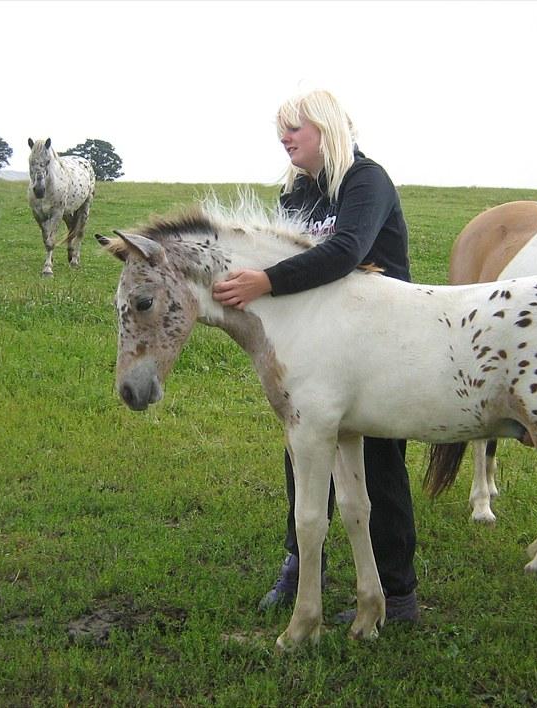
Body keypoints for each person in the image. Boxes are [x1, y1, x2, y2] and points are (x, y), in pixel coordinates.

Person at [212, 89, 419, 623]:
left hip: (379, 343)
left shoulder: (366, 181)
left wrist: (266, 281)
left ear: (326, 130)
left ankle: (397, 593)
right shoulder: (299, 193)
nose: (284, 138)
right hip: (321, 349)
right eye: (281, 130)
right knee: (303, 453)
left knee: (379, 462)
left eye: (294, 128)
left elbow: (347, 250)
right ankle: (300, 565)